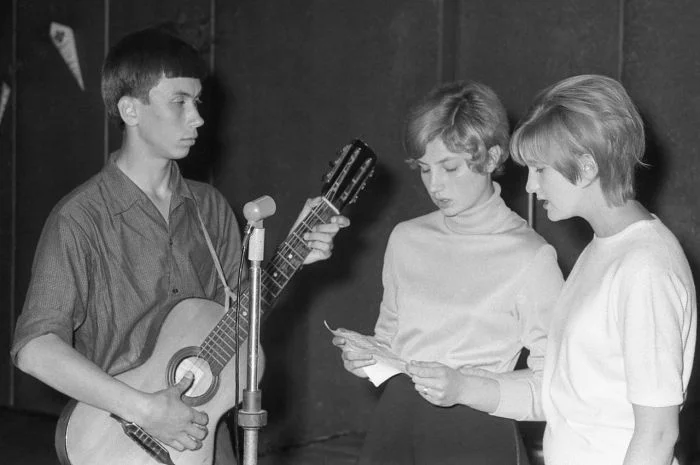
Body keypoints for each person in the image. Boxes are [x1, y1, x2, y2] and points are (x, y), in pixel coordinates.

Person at [10, 28, 349, 465]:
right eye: (180, 102)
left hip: (205, 432)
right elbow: (35, 348)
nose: (198, 118)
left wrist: (294, 255)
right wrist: (144, 409)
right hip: (118, 440)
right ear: (130, 109)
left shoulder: (210, 207)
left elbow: (237, 320)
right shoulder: (79, 219)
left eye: (198, 102)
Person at [333, 80, 564, 464]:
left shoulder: (531, 256)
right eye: (425, 169)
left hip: (475, 436)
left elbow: (554, 387)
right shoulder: (406, 238)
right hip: (396, 423)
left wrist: (464, 387)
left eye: (450, 167)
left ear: (491, 158)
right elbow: (390, 340)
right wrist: (366, 358)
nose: (435, 185)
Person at [509, 74, 697, 465]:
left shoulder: (644, 266)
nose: (530, 186)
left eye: (540, 169)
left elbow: (658, 434)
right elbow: (572, 398)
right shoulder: (605, 249)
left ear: (587, 167)